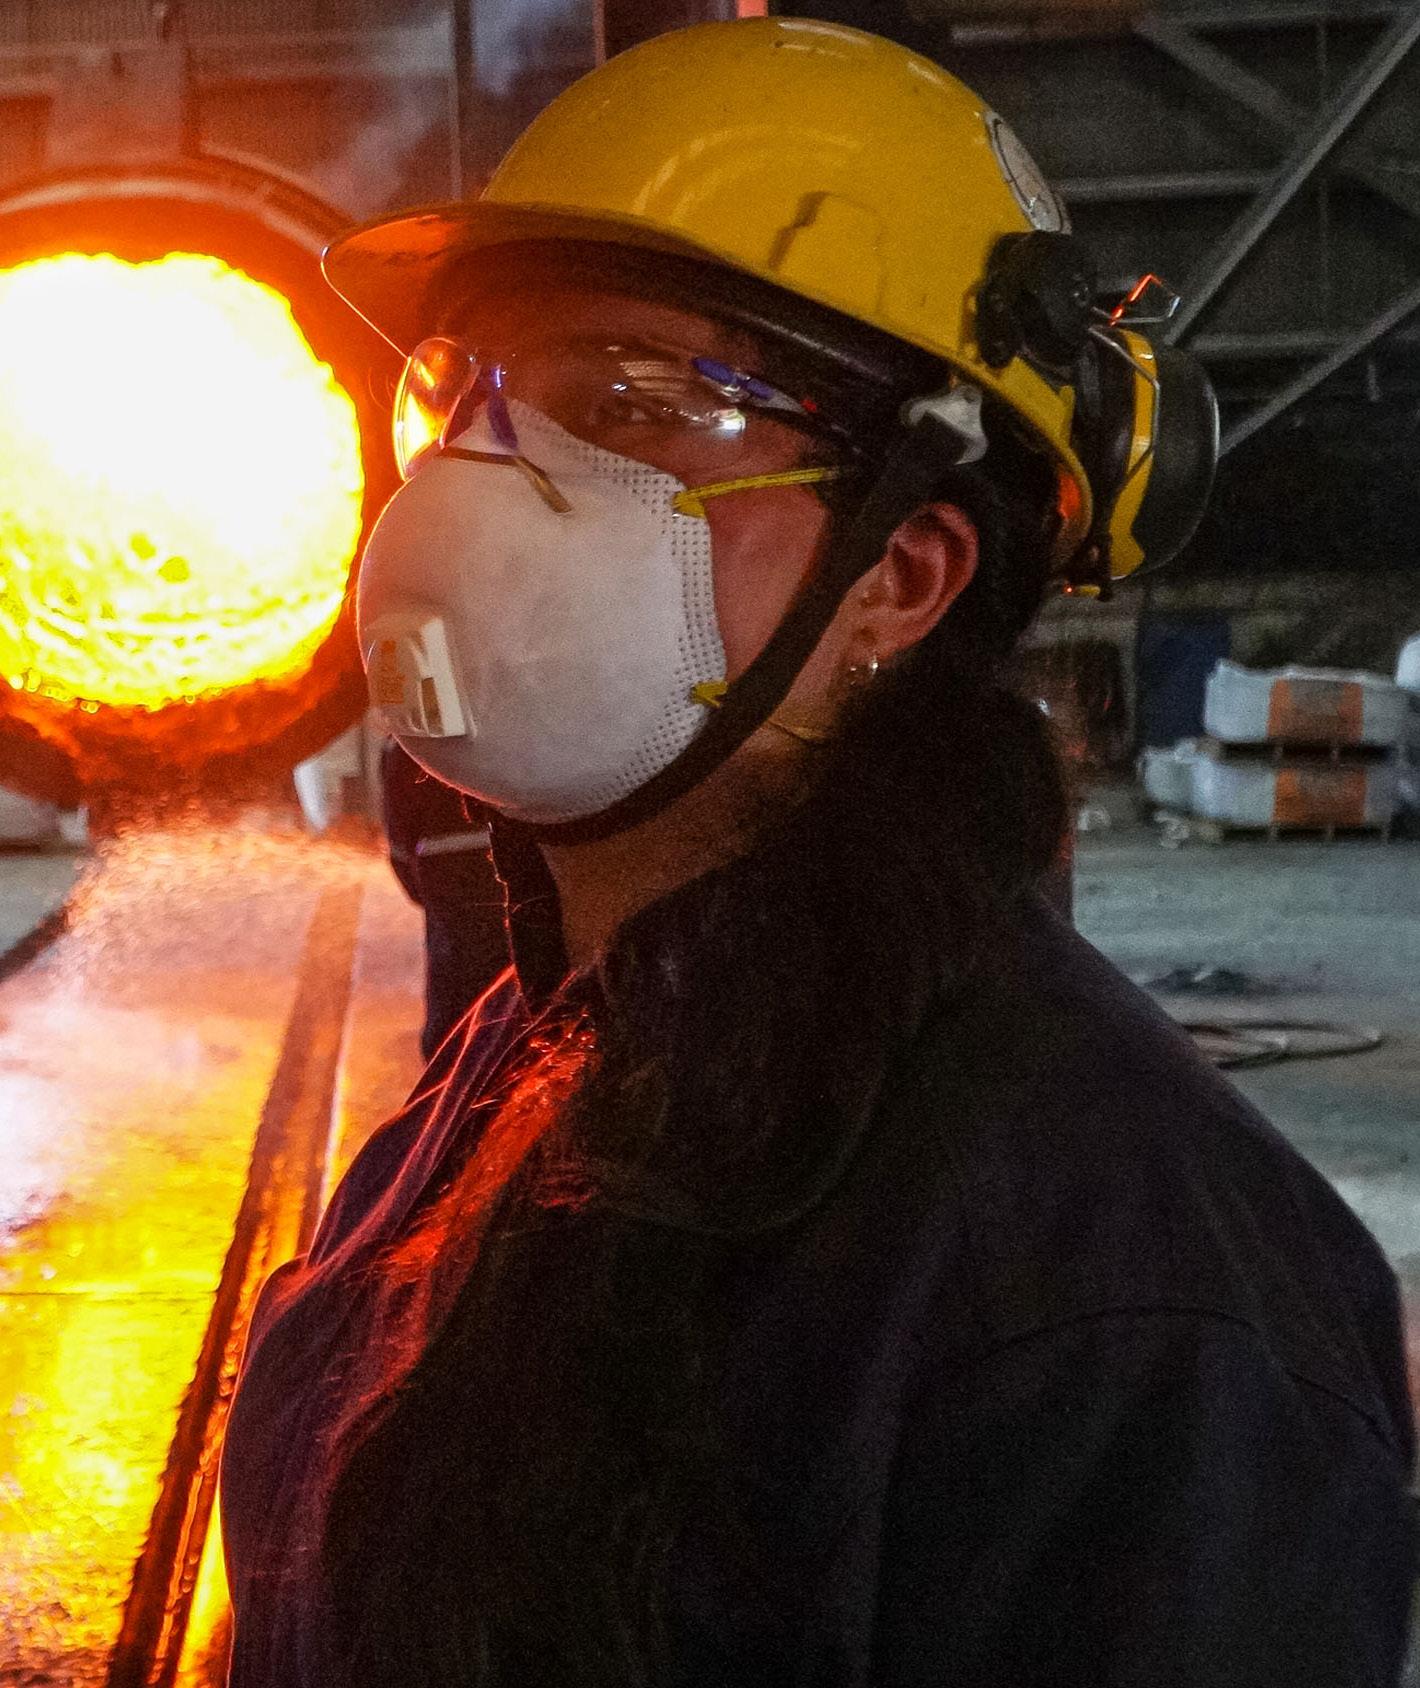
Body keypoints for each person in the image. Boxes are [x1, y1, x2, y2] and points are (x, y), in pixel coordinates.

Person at [220, 20, 1416, 1686]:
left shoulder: (1122, 1289)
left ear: (902, 578)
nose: (481, 478)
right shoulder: (529, 1068)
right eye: (465, 394)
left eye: (624, 400)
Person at [379, 737, 510, 1059]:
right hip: (510, 864)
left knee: (454, 1000)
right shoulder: (504, 725)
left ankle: (452, 1073)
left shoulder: (405, 743)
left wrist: (424, 888)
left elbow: (399, 839)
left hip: (445, 880)